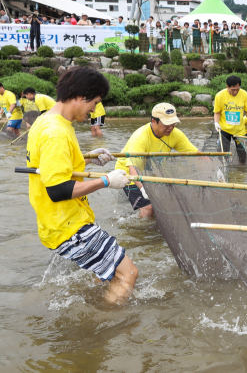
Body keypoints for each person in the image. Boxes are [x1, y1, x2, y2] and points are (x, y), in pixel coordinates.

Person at [26, 66, 137, 304]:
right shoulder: (56, 132)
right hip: (68, 226)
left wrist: (87, 157)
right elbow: (58, 190)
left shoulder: (47, 120)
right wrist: (106, 181)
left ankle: (94, 310)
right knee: (128, 273)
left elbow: (52, 164)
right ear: (79, 96)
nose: (95, 110)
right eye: (95, 102)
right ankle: (104, 326)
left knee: (106, 275)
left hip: (60, 222)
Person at [115, 103, 198, 218]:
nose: (171, 127)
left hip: (152, 172)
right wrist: (143, 188)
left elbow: (196, 154)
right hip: (129, 175)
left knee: (167, 205)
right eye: (167, 123)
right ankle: (136, 227)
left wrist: (214, 168)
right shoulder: (140, 138)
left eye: (173, 123)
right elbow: (132, 168)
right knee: (149, 210)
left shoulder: (175, 135)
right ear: (154, 121)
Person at [214, 75, 247, 162]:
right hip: (224, 130)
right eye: (233, 89)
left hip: (239, 131)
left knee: (242, 156)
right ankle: (222, 170)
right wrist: (216, 122)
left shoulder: (244, 94)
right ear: (227, 86)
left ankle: (242, 171)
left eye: (237, 89)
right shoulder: (219, 95)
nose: (235, 92)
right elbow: (217, 112)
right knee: (223, 155)